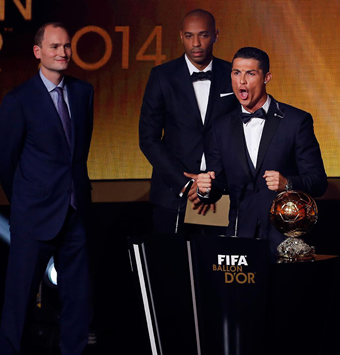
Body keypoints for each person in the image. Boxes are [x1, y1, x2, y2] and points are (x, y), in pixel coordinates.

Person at [0, 22, 94, 354]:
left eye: (66, 46)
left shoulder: (83, 92)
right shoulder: (18, 100)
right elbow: (3, 159)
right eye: (54, 47)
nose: (62, 53)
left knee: (78, 297)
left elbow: (78, 155)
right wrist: (24, 198)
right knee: (20, 298)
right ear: (38, 52)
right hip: (33, 216)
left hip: (75, 211)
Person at [196, 47, 327, 255]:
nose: (242, 81)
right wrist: (205, 189)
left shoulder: (295, 121)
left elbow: (318, 182)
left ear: (267, 77)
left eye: (250, 73)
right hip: (239, 239)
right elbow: (218, 183)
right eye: (236, 72)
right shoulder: (219, 127)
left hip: (285, 240)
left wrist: (287, 184)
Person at [139, 9, 238, 234]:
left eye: (203, 35)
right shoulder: (161, 76)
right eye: (189, 36)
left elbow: (241, 134)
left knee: (217, 265)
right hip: (173, 193)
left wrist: (215, 181)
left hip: (222, 191)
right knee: (173, 266)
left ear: (216, 35)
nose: (196, 43)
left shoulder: (232, 73)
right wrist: (185, 184)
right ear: (181, 36)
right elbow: (148, 139)